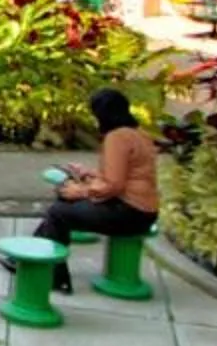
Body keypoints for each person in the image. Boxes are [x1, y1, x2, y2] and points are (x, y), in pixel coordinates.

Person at [34, 88, 159, 292]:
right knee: (63, 205)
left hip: (129, 212)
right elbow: (125, 176)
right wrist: (87, 174)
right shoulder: (139, 134)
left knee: (58, 212)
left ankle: (53, 276)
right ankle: (36, 256)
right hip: (145, 211)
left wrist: (80, 191)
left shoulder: (116, 137)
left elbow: (113, 185)